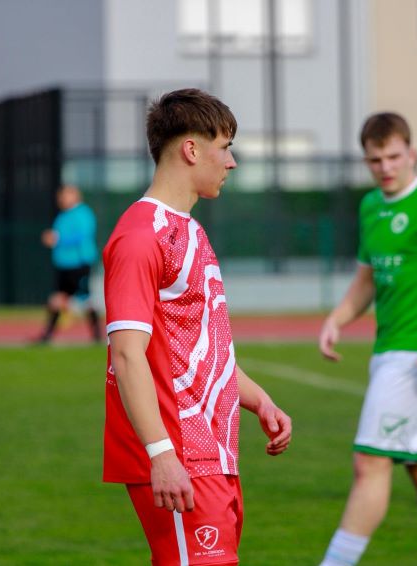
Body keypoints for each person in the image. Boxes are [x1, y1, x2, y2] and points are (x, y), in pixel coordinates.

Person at [102, 88, 292, 565]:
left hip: (212, 452)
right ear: (191, 149)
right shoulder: (140, 236)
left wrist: (259, 400)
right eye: (224, 147)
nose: (231, 162)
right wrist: (161, 453)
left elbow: (200, 350)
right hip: (179, 452)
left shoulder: (189, 230)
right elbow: (127, 354)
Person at [319, 112, 417, 566]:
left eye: (394, 156)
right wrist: (338, 318)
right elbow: (366, 281)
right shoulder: (371, 206)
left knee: (369, 463)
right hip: (389, 352)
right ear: (366, 161)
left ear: (411, 153)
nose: (386, 167)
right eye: (376, 160)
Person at [35, 184, 103, 344]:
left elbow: (82, 236)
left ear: (75, 195)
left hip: (79, 264)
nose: (61, 198)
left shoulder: (83, 214)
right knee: (58, 299)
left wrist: (58, 239)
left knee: (85, 299)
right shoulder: (63, 215)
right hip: (64, 265)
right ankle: (47, 335)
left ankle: (97, 335)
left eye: (65, 195)